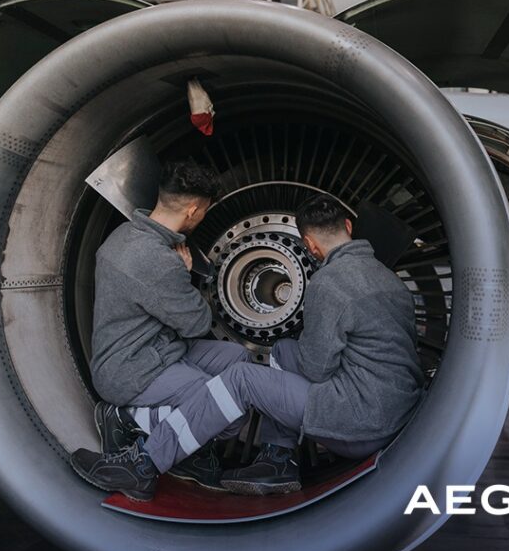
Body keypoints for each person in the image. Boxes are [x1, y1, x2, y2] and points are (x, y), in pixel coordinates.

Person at [73, 193, 424, 499]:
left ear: (310, 245)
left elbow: (317, 369)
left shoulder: (329, 283)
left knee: (240, 379)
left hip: (358, 423)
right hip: (395, 414)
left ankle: (143, 465)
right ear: (348, 226)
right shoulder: (390, 280)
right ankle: (277, 460)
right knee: (284, 350)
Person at [70, 160, 250, 498]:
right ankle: (129, 425)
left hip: (156, 350)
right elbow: (197, 323)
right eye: (205, 210)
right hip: (133, 370)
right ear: (193, 210)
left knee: (236, 357)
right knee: (227, 409)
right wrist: (184, 273)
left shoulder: (123, 235)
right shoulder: (159, 260)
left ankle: (189, 453)